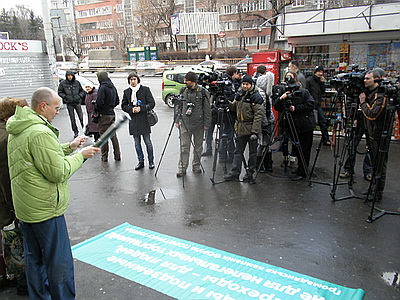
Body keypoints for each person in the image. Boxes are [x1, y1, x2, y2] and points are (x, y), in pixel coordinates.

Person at [6, 87, 100, 299]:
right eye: (56, 108)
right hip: (45, 210)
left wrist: (69, 147)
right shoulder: (40, 132)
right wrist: (81, 155)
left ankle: (39, 296)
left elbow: (39, 157)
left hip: (26, 209)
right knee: (59, 262)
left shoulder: (21, 126)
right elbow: (58, 172)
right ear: (43, 106)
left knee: (34, 258)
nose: (58, 112)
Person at [0, 97, 28, 296]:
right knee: (16, 241)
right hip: (7, 202)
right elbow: (8, 176)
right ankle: (22, 282)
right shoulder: (7, 137)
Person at [274, 70, 316, 181]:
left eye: (290, 77)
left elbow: (311, 104)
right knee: (297, 148)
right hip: (293, 125)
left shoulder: (304, 92)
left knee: (304, 149)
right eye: (287, 77)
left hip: (305, 125)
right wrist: (281, 98)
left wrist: (296, 108)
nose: (288, 80)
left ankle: (303, 171)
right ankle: (299, 168)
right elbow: (277, 107)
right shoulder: (284, 92)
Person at [223, 75, 264, 183]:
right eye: (243, 84)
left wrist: (255, 132)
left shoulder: (256, 97)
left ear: (251, 85)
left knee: (252, 153)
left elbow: (258, 115)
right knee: (238, 151)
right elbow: (234, 107)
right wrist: (227, 103)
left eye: (247, 84)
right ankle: (235, 173)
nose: (245, 86)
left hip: (251, 129)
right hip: (240, 127)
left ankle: (250, 173)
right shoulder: (239, 95)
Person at [175, 71, 211, 177]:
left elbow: (207, 109)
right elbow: (179, 106)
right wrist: (177, 119)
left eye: (187, 80)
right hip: (185, 123)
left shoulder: (203, 92)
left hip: (199, 123)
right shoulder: (183, 90)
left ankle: (196, 165)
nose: (185, 82)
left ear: (193, 81)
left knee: (198, 147)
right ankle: (182, 168)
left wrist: (206, 124)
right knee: (184, 146)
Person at [359, 70, 388, 201]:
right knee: (374, 163)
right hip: (371, 133)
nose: (364, 80)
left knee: (379, 164)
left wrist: (363, 103)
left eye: (367, 78)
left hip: (378, 134)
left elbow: (372, 114)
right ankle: (373, 188)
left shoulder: (380, 96)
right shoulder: (370, 94)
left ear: (376, 80)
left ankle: (378, 192)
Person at [121, 72, 156, 170]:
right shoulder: (126, 92)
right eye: (131, 80)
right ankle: (140, 161)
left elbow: (152, 103)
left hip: (144, 119)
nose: (133, 81)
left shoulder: (145, 90)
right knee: (137, 143)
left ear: (138, 80)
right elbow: (123, 105)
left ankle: (151, 161)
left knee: (147, 142)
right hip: (134, 121)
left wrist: (141, 108)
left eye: (134, 79)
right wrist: (131, 109)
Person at [95, 71, 121, 162]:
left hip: (104, 115)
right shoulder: (112, 87)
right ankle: (117, 156)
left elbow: (99, 103)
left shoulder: (102, 87)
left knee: (103, 136)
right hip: (112, 113)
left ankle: (104, 156)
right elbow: (117, 101)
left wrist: (97, 108)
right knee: (113, 135)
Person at [218, 65, 241, 163]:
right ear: (234, 73)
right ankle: (230, 155)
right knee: (229, 134)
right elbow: (232, 96)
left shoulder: (224, 81)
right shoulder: (229, 83)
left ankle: (223, 155)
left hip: (223, 112)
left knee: (223, 134)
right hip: (229, 112)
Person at [254, 65, 275, 172]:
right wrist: (267, 122)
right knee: (263, 144)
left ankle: (266, 163)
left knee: (267, 143)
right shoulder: (262, 95)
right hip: (264, 123)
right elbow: (261, 112)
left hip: (268, 121)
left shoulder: (266, 94)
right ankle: (260, 164)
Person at [306, 65, 330, 145]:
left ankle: (325, 139)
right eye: (319, 72)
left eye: (322, 72)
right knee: (311, 122)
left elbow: (323, 92)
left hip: (318, 104)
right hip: (311, 104)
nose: (320, 74)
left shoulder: (320, 81)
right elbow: (307, 92)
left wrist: (322, 83)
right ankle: (309, 139)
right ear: (315, 72)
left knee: (322, 121)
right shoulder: (309, 80)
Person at [58, 70, 85, 138]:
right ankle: (75, 131)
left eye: (71, 76)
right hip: (69, 103)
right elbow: (60, 92)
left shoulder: (77, 83)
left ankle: (85, 130)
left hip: (77, 102)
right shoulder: (63, 83)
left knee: (81, 117)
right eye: (68, 76)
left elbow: (82, 91)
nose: (70, 77)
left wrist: (79, 96)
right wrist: (66, 97)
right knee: (72, 118)